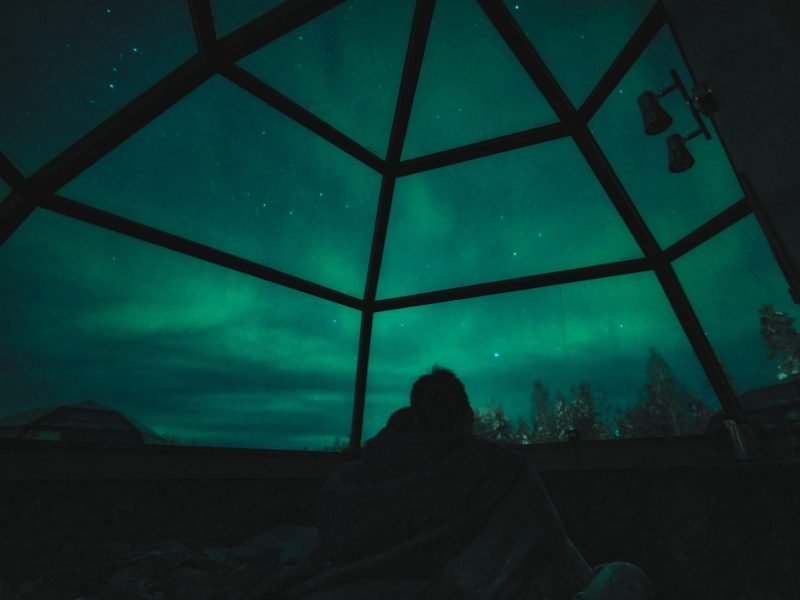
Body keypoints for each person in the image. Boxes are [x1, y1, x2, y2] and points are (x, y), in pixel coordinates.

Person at [276, 367, 654, 599]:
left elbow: (333, 535)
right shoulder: (502, 468)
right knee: (624, 576)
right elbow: (561, 557)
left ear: (414, 416)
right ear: (465, 415)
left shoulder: (360, 473)